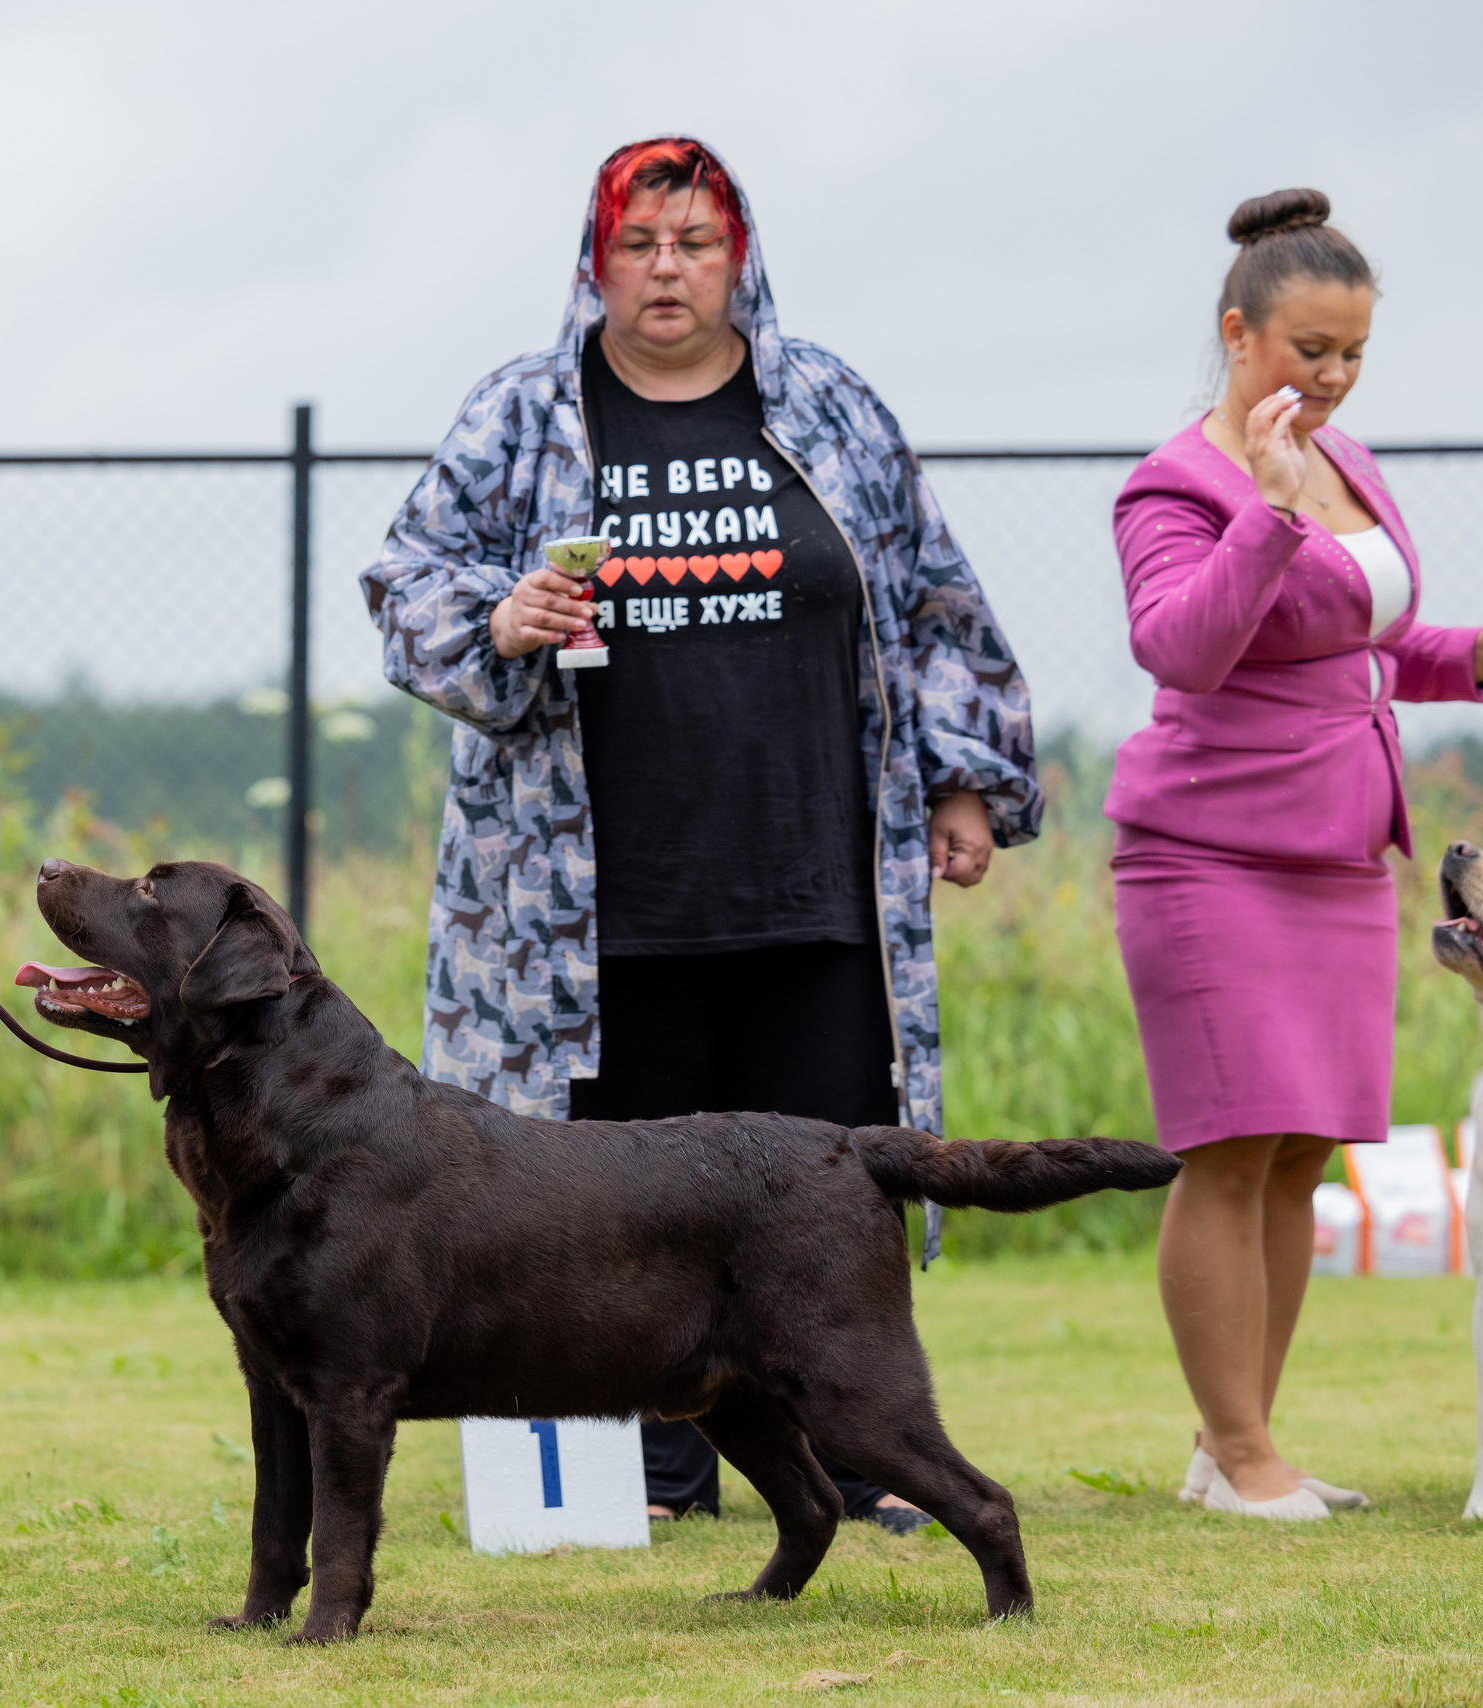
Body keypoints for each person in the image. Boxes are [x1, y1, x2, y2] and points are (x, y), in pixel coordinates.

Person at [361, 137, 1040, 1529]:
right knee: (606, 1203)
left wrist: (965, 780)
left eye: (695, 243)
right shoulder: (522, 416)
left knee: (831, 1185)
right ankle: (648, 1478)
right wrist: (499, 622)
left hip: (815, 880)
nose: (666, 271)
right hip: (591, 906)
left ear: (740, 257)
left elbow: (932, 603)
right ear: (594, 262)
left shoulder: (833, 408)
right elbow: (405, 584)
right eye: (638, 244)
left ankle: (861, 1457)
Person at [1108, 188, 1483, 1521]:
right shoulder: (1177, 481)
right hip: (1208, 860)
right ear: (1238, 332)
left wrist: (1476, 658)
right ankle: (1239, 1450)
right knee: (1229, 1144)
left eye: (1352, 356)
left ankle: (1239, 1444)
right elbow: (1184, 647)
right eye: (1308, 350)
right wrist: (1265, 512)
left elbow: (1363, 646)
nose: (1329, 378)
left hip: (1336, 860)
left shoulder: (1357, 463)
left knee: (1300, 1150)